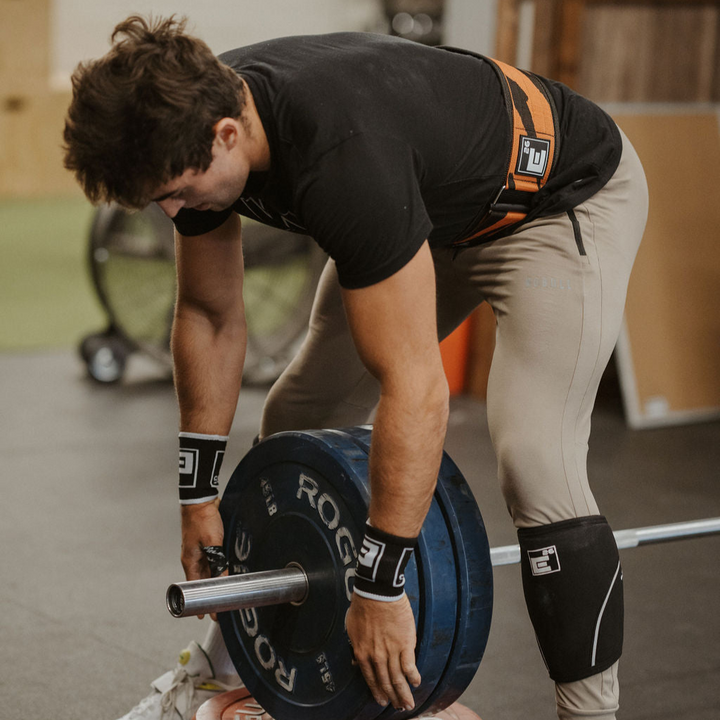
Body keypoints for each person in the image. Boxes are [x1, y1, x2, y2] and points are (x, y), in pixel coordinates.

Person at [63, 15, 648, 720]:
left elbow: (417, 390)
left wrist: (377, 587)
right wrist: (198, 499)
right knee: (293, 428)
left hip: (555, 207)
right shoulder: (189, 119)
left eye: (179, 193)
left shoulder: (341, 156)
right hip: (427, 212)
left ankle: (588, 713)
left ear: (226, 134)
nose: (174, 211)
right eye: (160, 201)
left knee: (535, 457)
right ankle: (227, 672)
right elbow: (211, 318)